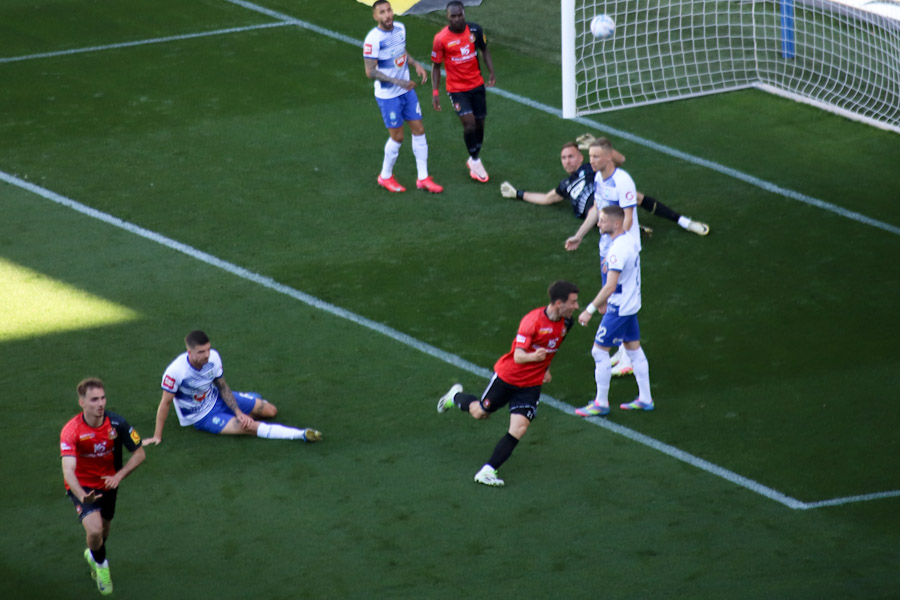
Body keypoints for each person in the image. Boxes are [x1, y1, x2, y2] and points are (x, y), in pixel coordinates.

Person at [436, 280, 580, 487]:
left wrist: (546, 367)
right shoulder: (532, 322)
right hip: (508, 378)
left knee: (520, 428)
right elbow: (519, 356)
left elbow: (554, 345)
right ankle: (454, 397)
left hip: (531, 385)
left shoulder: (567, 323)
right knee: (480, 413)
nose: (576, 306)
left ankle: (488, 470)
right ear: (559, 303)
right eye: (573, 302)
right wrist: (535, 358)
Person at [143, 330, 322, 445]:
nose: (207, 355)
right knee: (249, 427)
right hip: (202, 416)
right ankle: (301, 434)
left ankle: (246, 402)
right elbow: (165, 403)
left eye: (208, 349)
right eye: (201, 352)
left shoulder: (213, 358)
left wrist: (238, 412)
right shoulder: (175, 372)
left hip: (217, 398)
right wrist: (157, 436)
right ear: (189, 352)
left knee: (271, 411)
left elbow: (222, 386)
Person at [499, 139, 709, 236]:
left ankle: (685, 222)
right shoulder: (564, 185)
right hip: (595, 213)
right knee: (598, 210)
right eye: (563, 158)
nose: (567, 161)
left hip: (607, 198)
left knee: (635, 196)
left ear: (580, 157)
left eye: (571, 156)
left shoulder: (590, 167)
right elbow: (546, 198)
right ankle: (629, 226)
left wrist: (596, 144)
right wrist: (517, 193)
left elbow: (619, 159)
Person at [60, 378, 146, 596]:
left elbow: (139, 454)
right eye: (94, 400)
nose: (100, 404)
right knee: (95, 529)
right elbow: (68, 471)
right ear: (82, 403)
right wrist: (82, 496)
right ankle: (101, 566)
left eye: (103, 398)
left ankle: (93, 554)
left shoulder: (117, 423)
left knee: (104, 530)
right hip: (83, 487)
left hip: (108, 484)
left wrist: (119, 476)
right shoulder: (71, 431)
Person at [573, 205, 654, 417]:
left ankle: (601, 403)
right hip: (631, 303)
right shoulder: (629, 241)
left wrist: (589, 310)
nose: (598, 223)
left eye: (602, 221)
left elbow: (610, 286)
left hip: (619, 308)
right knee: (634, 350)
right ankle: (645, 398)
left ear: (616, 223)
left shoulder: (617, 250)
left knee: (599, 352)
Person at [363, 0, 443, 193]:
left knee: (419, 129)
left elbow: (400, 51)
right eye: (382, 12)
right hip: (388, 96)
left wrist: (415, 64)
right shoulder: (373, 39)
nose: (387, 15)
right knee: (397, 137)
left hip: (406, 91)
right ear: (375, 16)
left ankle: (423, 178)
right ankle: (385, 176)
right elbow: (370, 71)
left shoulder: (400, 28)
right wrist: (399, 82)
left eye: (389, 10)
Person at [431, 1, 496, 183]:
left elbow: (484, 50)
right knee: (469, 124)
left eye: (460, 15)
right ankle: (475, 161)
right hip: (457, 90)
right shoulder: (441, 39)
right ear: (447, 17)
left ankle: (473, 157)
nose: (457, 19)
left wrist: (491, 71)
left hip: (477, 85)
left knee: (480, 124)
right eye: (453, 16)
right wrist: (435, 93)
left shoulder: (475, 30)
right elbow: (436, 67)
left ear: (464, 14)